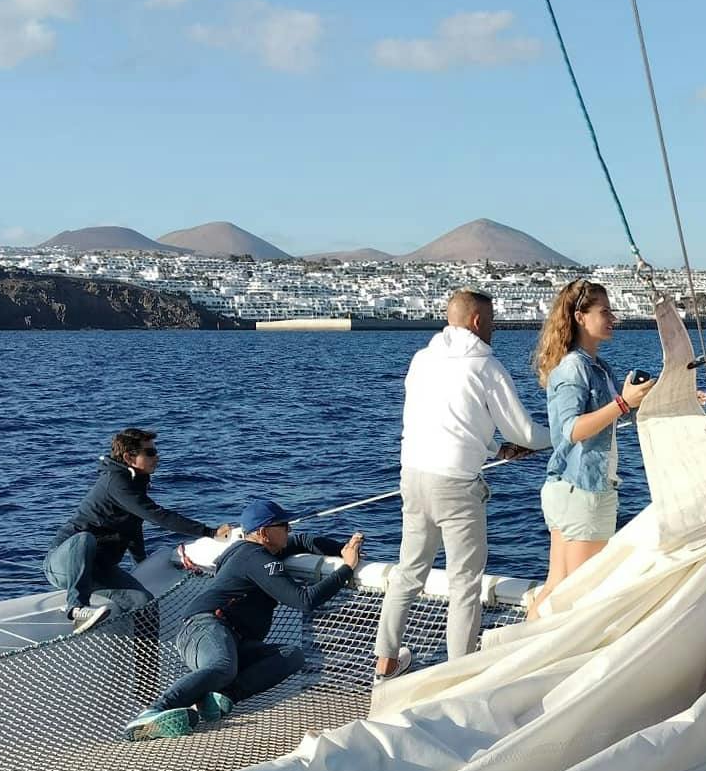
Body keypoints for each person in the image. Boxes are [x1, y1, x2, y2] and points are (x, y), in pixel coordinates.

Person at [373, 289, 549, 681]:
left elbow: (443, 420)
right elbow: (525, 431)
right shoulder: (487, 368)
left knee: (409, 572)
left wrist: (492, 448)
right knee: (464, 584)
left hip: (413, 478)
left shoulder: (421, 360)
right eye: (491, 321)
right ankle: (459, 676)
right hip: (456, 487)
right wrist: (564, 434)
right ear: (475, 322)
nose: (495, 328)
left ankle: (385, 662)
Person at [125, 499, 363, 740]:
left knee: (292, 655)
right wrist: (347, 569)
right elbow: (304, 600)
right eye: (284, 525)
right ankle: (154, 711)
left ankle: (221, 697)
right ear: (263, 533)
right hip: (204, 627)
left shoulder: (257, 550)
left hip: (232, 638)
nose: (289, 530)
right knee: (222, 666)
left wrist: (342, 549)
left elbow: (302, 541)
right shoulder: (256, 558)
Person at [530, 278, 654, 617]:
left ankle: (514, 653)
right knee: (578, 595)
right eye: (604, 311)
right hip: (581, 492)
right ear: (580, 317)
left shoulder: (597, 367)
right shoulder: (574, 368)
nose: (613, 318)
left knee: (558, 585)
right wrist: (623, 403)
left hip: (572, 489)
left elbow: (610, 414)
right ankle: (530, 660)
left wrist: (657, 399)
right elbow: (571, 429)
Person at [45, 427, 225, 633]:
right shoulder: (116, 483)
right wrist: (210, 532)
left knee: (144, 602)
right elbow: (156, 515)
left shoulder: (135, 484)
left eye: (155, 451)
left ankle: (146, 664)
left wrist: (142, 566)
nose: (157, 457)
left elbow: (134, 530)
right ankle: (76, 608)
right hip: (63, 563)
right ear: (129, 457)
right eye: (149, 453)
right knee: (84, 539)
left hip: (97, 570)